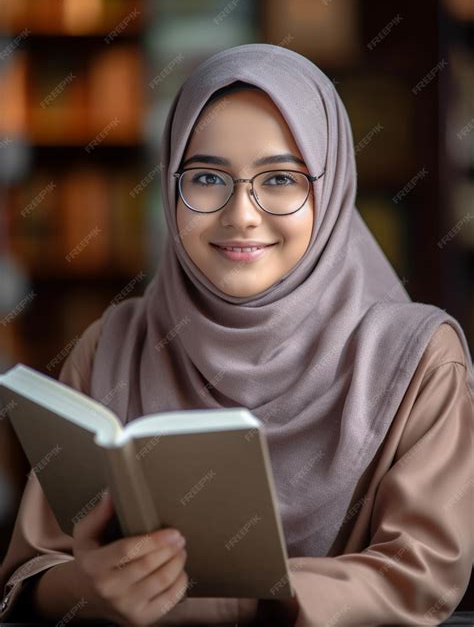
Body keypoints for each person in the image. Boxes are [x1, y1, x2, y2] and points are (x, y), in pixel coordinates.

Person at [0, 43, 473, 625]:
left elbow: (423, 577)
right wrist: (84, 588)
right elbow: (32, 572)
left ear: (332, 190)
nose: (242, 214)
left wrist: (230, 600)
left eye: (278, 179)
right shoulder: (111, 345)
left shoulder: (419, 360)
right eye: (205, 177)